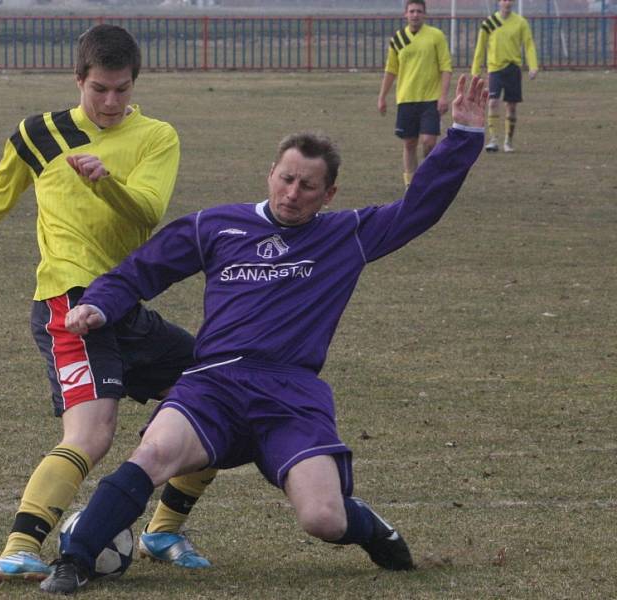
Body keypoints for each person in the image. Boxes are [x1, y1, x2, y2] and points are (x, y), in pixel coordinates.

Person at [38, 74, 488, 595]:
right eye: (286, 178)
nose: (292, 193)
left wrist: (464, 136)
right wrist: (98, 303)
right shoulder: (216, 226)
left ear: (329, 193)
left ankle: (367, 525)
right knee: (152, 455)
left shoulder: (348, 235)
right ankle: (73, 560)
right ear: (271, 172)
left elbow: (418, 209)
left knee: (322, 518)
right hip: (214, 384)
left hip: (291, 393)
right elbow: (141, 270)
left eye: (308, 186)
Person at [0, 24, 216, 582]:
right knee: (91, 434)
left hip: (126, 306)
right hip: (68, 304)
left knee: (215, 395)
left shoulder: (157, 136)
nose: (111, 102)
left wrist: (104, 180)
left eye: (121, 89)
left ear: (134, 83)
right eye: (99, 89)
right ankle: (19, 546)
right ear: (78, 80)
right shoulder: (39, 133)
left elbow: (145, 211)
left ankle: (163, 531)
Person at [378, 0, 452, 187]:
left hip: (430, 99)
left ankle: (427, 178)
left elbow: (446, 67)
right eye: (412, 11)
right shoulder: (398, 39)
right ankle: (410, 185)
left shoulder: (436, 36)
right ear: (405, 14)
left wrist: (443, 96)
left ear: (425, 14)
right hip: (406, 99)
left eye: (419, 11)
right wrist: (382, 97)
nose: (415, 14)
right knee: (409, 144)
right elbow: (391, 70)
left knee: (428, 142)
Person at [471, 0, 538, 153]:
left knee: (511, 106)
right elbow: (480, 47)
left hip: (513, 69)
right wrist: (475, 70)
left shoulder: (520, 22)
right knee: (493, 102)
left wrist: (533, 66)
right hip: (495, 69)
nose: (507, 3)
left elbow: (528, 44)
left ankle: (508, 140)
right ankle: (493, 139)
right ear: (499, 2)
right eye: (504, 0)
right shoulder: (489, 22)